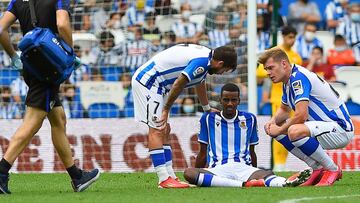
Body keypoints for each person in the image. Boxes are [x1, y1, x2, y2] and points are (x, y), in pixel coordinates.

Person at [0, 0, 100, 194]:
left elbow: (1, 29)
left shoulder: (17, 1)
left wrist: (13, 56)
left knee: (58, 118)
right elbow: (62, 24)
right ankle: (2, 172)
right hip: (49, 66)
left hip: (31, 63)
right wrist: (69, 53)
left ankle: (76, 176)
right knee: (32, 123)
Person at [131, 44, 237, 188]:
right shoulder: (201, 62)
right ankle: (163, 179)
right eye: (224, 70)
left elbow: (200, 81)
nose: (222, 73)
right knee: (157, 129)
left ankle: (170, 176)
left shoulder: (206, 59)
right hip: (149, 82)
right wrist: (166, 109)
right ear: (220, 63)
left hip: (160, 86)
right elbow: (178, 83)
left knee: (165, 129)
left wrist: (206, 108)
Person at [258, 47, 354, 186]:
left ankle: (332, 169)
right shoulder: (288, 81)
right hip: (322, 128)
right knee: (280, 128)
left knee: (293, 130)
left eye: (271, 68)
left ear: (284, 64)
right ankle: (317, 168)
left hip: (340, 128)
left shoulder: (298, 78)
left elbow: (302, 115)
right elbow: (284, 110)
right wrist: (272, 122)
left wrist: (279, 130)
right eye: (266, 69)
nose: (268, 73)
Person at [183, 83, 310, 188]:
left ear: (239, 101)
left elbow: (252, 151)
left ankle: (286, 183)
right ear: (220, 100)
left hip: (243, 168)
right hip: (218, 169)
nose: (230, 103)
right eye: (226, 100)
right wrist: (197, 175)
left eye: (233, 100)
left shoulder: (250, 119)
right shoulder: (208, 119)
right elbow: (203, 152)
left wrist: (253, 171)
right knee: (189, 173)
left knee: (267, 173)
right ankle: (243, 184)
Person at [257, 26, 302, 172]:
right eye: (289, 37)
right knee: (279, 132)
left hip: (294, 100)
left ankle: (281, 165)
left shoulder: (296, 56)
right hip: (278, 100)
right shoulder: (275, 53)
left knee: (291, 131)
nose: (292, 40)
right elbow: (259, 72)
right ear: (283, 36)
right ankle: (278, 165)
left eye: (294, 37)